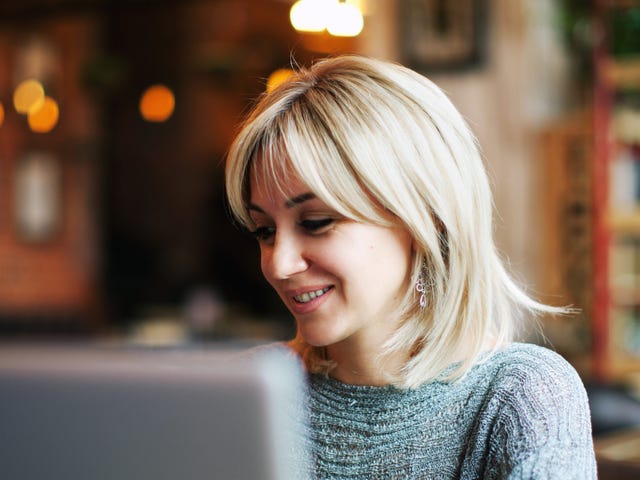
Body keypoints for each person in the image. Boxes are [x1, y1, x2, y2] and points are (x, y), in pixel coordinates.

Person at [225, 55, 597, 479]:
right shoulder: (252, 389)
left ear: (424, 219)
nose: (280, 263)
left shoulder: (522, 394)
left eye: (315, 223)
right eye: (264, 231)